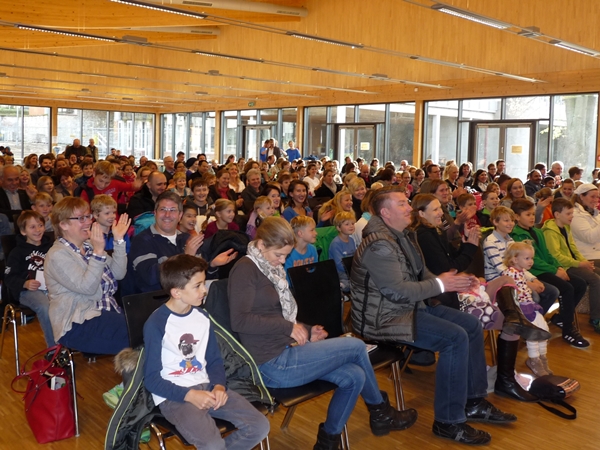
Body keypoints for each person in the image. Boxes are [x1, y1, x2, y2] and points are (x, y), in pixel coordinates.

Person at [229, 216, 417, 448]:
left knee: (354, 376)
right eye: (279, 255)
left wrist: (307, 330)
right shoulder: (246, 269)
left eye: (285, 256)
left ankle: (327, 442)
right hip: (270, 364)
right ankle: (381, 413)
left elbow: (278, 314)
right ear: (260, 244)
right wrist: (290, 328)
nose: (282, 261)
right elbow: (240, 321)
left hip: (285, 349)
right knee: (356, 346)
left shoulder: (268, 267)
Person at [349, 187, 515, 445]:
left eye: (407, 202)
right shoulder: (379, 245)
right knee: (454, 338)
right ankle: (448, 422)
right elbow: (397, 292)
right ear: (385, 213)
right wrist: (440, 284)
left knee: (470, 325)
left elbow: (421, 273)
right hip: (384, 318)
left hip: (408, 307)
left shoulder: (403, 235)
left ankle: (473, 401)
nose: (409, 208)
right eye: (402, 204)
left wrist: (451, 281)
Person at [144, 254, 269, 450]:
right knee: (212, 445)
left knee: (260, 426)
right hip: (175, 396)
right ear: (177, 292)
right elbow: (152, 380)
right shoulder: (157, 323)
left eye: (204, 283)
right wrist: (189, 395)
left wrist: (219, 386)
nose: (204, 290)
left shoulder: (202, 316)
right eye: (197, 286)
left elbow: (214, 360)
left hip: (208, 387)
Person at [45, 197, 130, 354]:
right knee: (138, 334)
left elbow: (118, 273)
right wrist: (98, 252)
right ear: (63, 224)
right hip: (77, 321)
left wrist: (118, 240)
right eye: (81, 218)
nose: (88, 222)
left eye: (88, 216)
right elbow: (87, 288)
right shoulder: (57, 255)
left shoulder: (89, 245)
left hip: (106, 311)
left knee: (146, 328)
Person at [510, 198, 588, 348]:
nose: (532, 217)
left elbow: (548, 254)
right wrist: (554, 271)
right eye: (528, 215)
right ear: (517, 217)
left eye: (533, 214)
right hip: (533, 272)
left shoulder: (537, 232)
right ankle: (568, 330)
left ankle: (561, 317)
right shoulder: (517, 235)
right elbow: (533, 260)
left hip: (547, 269)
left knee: (580, 284)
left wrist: (558, 267)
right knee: (566, 288)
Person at [542, 198, 600, 333]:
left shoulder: (566, 227)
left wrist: (585, 263)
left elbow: (574, 249)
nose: (571, 216)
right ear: (557, 215)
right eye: (568, 214)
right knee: (595, 280)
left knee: (596, 272)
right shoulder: (550, 231)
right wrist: (579, 263)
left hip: (572, 263)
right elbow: (556, 256)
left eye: (572, 213)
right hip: (564, 266)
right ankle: (596, 318)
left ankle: (565, 314)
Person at [501, 242, 552, 377]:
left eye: (531, 258)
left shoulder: (521, 271)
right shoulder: (510, 273)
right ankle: (534, 360)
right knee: (533, 333)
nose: (531, 261)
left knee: (544, 330)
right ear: (515, 259)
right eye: (527, 258)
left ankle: (542, 357)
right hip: (521, 308)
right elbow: (511, 294)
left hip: (529, 305)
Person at [5, 211, 55, 347]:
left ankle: (72, 343)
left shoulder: (52, 248)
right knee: (45, 307)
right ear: (23, 231)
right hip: (29, 292)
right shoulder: (17, 253)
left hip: (52, 288)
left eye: (40, 225)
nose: (38, 230)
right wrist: (24, 283)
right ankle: (54, 350)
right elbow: (9, 277)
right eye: (32, 227)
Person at [284, 216, 318, 283]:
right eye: (312, 230)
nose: (316, 233)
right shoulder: (289, 253)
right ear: (300, 233)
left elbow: (315, 272)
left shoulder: (312, 249)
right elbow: (288, 279)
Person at [329, 211, 357, 293]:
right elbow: (339, 264)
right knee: (349, 284)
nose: (351, 226)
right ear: (338, 228)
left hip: (351, 270)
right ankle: (342, 287)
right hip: (340, 272)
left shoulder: (351, 240)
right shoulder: (336, 243)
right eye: (347, 224)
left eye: (352, 223)